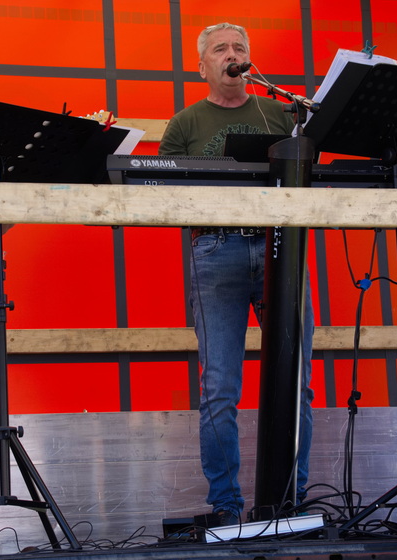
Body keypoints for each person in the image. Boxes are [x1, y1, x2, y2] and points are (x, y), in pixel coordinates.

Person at [159, 22, 315, 527]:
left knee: (296, 381)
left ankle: (290, 500)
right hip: (217, 249)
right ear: (202, 65)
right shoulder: (184, 124)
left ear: (250, 62)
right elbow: (163, 194)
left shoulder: (281, 113)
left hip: (279, 248)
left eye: (240, 48)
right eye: (221, 48)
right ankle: (226, 507)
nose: (232, 54)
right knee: (220, 388)